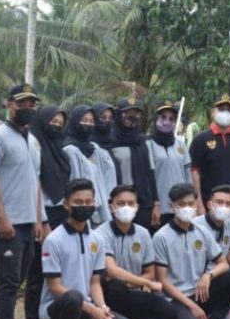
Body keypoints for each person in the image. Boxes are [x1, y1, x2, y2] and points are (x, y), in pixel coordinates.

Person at [39, 179, 138, 319]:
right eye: (78, 202)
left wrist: (101, 308)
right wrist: (92, 310)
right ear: (66, 204)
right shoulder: (54, 240)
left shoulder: (97, 240)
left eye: (88, 202)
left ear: (94, 203)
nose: (84, 206)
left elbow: (94, 282)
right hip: (55, 309)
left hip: (85, 307)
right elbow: (55, 287)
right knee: (73, 297)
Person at [0, 84, 44, 319]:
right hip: (9, 224)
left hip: (29, 223)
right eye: (21, 104)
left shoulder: (32, 140)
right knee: (7, 282)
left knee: (19, 278)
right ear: (8, 104)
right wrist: (0, 218)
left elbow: (36, 181)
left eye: (31, 104)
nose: (27, 108)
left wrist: (39, 219)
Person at [153, 183, 230, 319]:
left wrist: (208, 276)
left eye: (190, 203)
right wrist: (191, 305)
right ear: (172, 206)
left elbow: (223, 263)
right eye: (181, 204)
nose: (186, 208)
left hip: (198, 291)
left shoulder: (201, 231)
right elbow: (161, 280)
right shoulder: (161, 237)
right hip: (175, 298)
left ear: (197, 205)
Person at [94, 185, 178, 319]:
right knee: (116, 286)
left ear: (137, 207)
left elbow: (150, 272)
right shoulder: (101, 233)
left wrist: (138, 283)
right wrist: (145, 282)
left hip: (132, 291)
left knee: (166, 308)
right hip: (107, 293)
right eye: (121, 203)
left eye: (131, 203)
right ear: (111, 207)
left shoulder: (143, 233)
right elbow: (111, 271)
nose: (126, 207)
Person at [25, 106, 71, 319]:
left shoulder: (61, 150)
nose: (56, 125)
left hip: (62, 212)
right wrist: (42, 220)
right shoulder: (34, 145)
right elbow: (35, 185)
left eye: (60, 121)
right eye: (52, 120)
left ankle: (56, 317)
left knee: (58, 268)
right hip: (42, 214)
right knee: (37, 269)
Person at [104, 97, 159, 230]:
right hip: (118, 198)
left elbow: (151, 172)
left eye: (136, 114)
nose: (132, 117)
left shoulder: (143, 141)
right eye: (127, 114)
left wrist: (156, 203)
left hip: (142, 199)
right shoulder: (109, 140)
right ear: (118, 115)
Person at [63, 105, 114, 224]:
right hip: (82, 208)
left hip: (98, 207)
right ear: (75, 122)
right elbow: (75, 181)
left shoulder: (94, 148)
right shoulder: (71, 150)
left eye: (91, 121)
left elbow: (102, 179)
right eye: (84, 120)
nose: (88, 124)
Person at [146, 99, 192, 226]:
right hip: (158, 207)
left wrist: (191, 200)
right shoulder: (148, 144)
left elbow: (188, 175)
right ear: (156, 119)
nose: (167, 121)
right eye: (163, 117)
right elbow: (147, 179)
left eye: (171, 119)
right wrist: (154, 204)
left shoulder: (181, 145)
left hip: (180, 206)